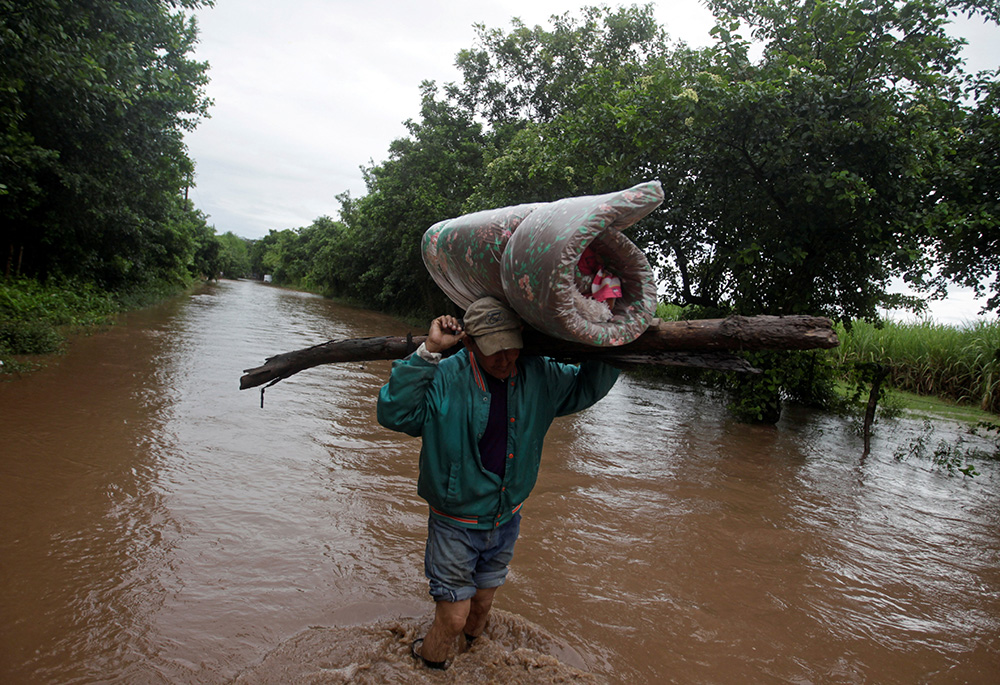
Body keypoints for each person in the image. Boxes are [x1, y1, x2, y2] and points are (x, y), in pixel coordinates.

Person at [377, 296, 619, 669]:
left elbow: (586, 387)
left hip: (506, 519)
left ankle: (472, 663)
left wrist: (610, 335)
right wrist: (428, 351)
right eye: (494, 352)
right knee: (454, 618)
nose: (505, 360)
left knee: (481, 608)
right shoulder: (444, 375)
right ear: (471, 343)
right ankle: (428, 669)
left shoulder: (539, 374)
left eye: (511, 349)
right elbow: (394, 413)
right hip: (454, 523)